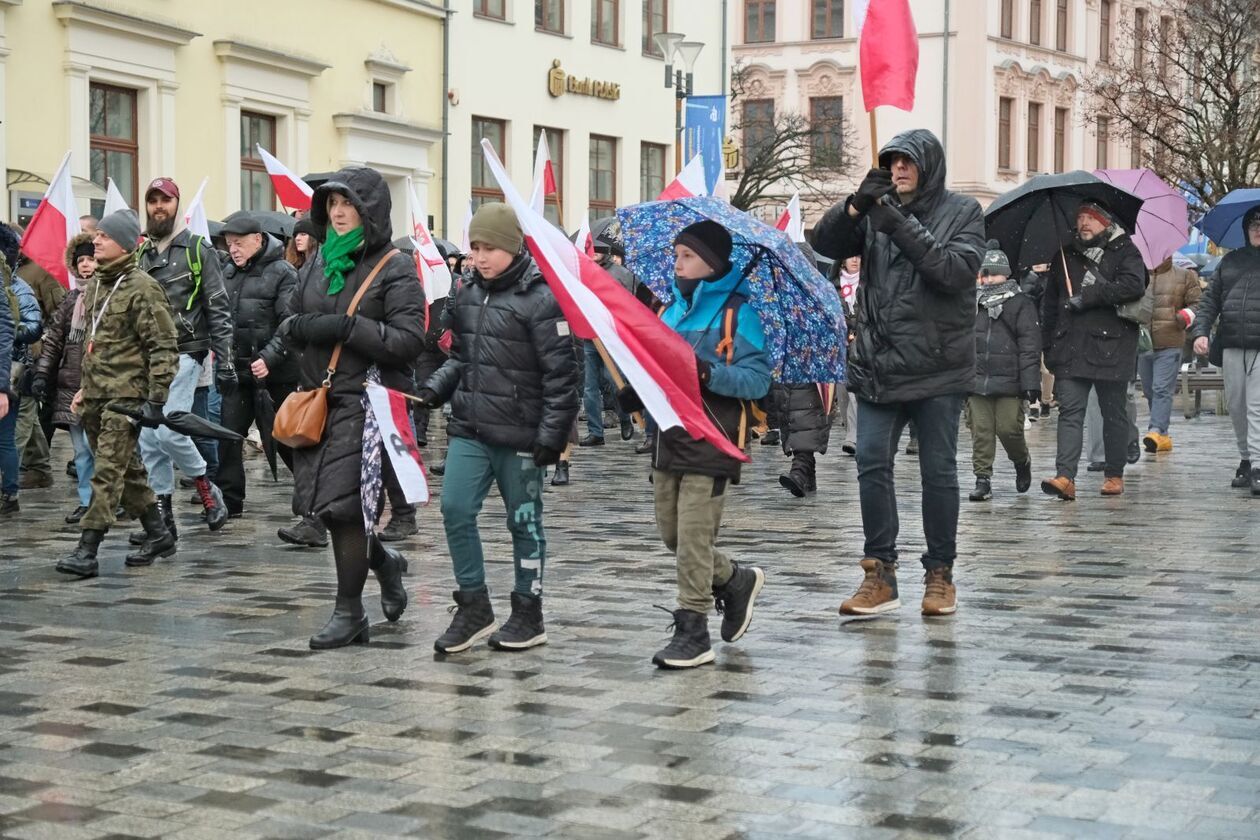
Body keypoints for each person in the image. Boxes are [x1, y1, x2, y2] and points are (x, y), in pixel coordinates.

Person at [813, 128, 985, 618]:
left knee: (938, 472)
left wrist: (896, 223)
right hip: (879, 364)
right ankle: (879, 573)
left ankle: (940, 573)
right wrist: (854, 205)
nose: (898, 169)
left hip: (938, 366)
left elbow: (952, 273)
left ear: (928, 166)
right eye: (891, 162)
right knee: (871, 464)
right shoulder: (875, 209)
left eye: (907, 162)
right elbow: (825, 242)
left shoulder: (964, 212)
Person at [416, 203, 578, 655]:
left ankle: (529, 611)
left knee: (523, 522)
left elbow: (562, 377)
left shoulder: (542, 299)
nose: (480, 257)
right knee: (454, 509)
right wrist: (434, 389)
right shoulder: (466, 293)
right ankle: (473, 606)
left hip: (522, 434)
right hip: (470, 427)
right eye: (475, 247)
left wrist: (552, 435)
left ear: (512, 247)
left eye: (489, 248)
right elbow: (461, 358)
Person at [615, 220, 769, 669]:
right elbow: (657, 371)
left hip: (713, 438)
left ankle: (693, 629)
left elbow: (757, 381)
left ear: (712, 262)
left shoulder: (739, 313)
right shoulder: (669, 312)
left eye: (687, 256)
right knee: (673, 535)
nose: (677, 263)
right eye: (676, 254)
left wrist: (710, 374)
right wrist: (636, 391)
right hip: (668, 438)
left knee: (694, 539)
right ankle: (735, 580)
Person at [283, 166, 421, 649]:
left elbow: (409, 340)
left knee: (345, 509)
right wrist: (294, 333)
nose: (338, 213)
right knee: (325, 505)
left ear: (371, 212)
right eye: (332, 205)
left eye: (348, 205)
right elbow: (296, 317)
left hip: (369, 401)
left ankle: (349, 613)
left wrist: (346, 329)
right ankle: (385, 562)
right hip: (318, 398)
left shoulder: (395, 265)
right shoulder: (319, 260)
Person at [55, 210, 180, 578]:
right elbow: (95, 344)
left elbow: (163, 345)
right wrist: (83, 390)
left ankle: (87, 549)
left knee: (107, 472)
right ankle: (159, 535)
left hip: (127, 398)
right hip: (97, 396)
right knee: (129, 472)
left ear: (124, 244)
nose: (96, 241)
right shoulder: (95, 286)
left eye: (105, 237)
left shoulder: (142, 287)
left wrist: (156, 398)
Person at [136, 177, 232, 531]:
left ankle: (207, 487)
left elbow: (218, 307)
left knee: (170, 431)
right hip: (147, 356)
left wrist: (227, 361)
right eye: (153, 200)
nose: (159, 207)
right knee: (149, 437)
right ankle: (164, 516)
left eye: (166, 200)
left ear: (178, 204)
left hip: (185, 351)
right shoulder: (141, 254)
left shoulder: (197, 249)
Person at [1040, 200, 1146, 500]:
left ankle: (1114, 473)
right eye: (1081, 217)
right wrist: (1047, 344)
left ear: (1105, 222)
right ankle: (1065, 476)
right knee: (1070, 412)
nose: (1084, 223)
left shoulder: (1124, 250)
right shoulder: (1064, 254)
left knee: (1113, 413)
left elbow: (1133, 285)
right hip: (1070, 346)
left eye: (1091, 217)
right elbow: (1049, 304)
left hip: (1111, 345)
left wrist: (1089, 296)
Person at [213, 212, 299, 518]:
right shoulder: (227, 271)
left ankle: (310, 497)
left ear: (258, 240)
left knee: (283, 437)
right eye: (229, 243)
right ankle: (229, 502)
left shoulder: (283, 272)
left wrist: (271, 358)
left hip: (275, 374)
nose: (233, 249)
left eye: (238, 243)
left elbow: (290, 323)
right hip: (237, 369)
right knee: (228, 434)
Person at [1192, 205, 1260, 494]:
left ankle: (1258, 465)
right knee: (1236, 406)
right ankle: (1246, 459)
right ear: (1246, 229)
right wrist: (1200, 331)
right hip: (1232, 343)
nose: (1258, 229)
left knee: (1256, 407)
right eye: (1253, 224)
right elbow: (1209, 301)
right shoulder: (1230, 262)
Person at [966, 242, 1039, 502]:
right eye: (986, 273)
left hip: (1010, 380)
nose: (990, 279)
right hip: (977, 379)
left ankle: (1022, 461)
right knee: (981, 430)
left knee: (1009, 429)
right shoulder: (971, 302)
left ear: (1006, 275)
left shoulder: (1020, 304)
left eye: (995, 273)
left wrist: (1031, 383)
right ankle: (982, 478)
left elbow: (1030, 346)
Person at [32, 234, 96, 524]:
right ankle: (86, 500)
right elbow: (54, 341)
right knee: (81, 450)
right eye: (80, 260)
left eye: (91, 258)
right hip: (71, 386)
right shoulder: (71, 300)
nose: (86, 265)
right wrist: (43, 375)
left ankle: (111, 499)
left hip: (101, 386)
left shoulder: (112, 296)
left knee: (103, 449)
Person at [1138, 257, 1201, 453]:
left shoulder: (1184, 275)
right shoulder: (1137, 274)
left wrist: (1183, 317)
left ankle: (1156, 429)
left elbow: (1198, 304)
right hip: (1143, 341)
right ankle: (1162, 435)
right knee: (1149, 390)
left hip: (1171, 340)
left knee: (1161, 388)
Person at [579, 241, 635, 447]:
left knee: (614, 381)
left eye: (598, 249)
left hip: (612, 336)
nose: (593, 253)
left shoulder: (621, 274)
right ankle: (596, 432)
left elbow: (628, 303)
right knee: (589, 387)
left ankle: (624, 418)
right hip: (589, 334)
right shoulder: (582, 270)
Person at [0, 244, 41, 514]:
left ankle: (10, 493)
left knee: (6, 438)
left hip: (10, 370)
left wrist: (13, 330)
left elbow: (35, 326)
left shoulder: (19, 289)